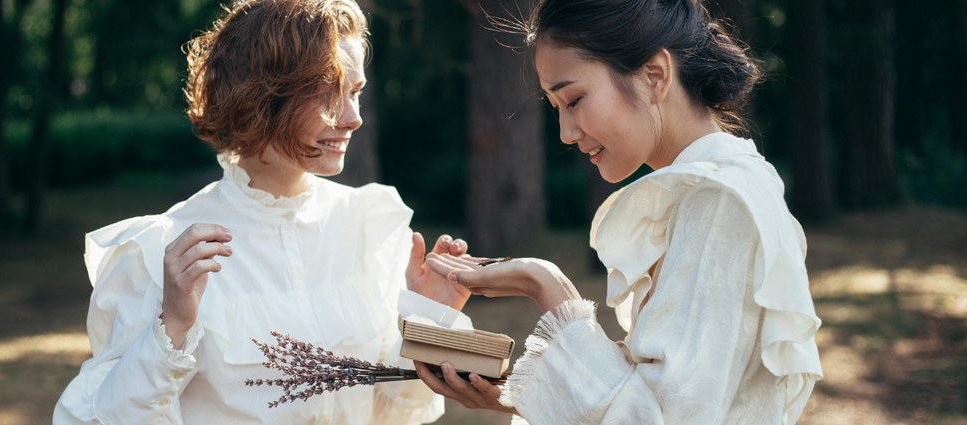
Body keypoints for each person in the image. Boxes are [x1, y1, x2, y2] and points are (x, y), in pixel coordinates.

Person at [53, 1, 471, 423]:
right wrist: (170, 330)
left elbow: (392, 411)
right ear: (261, 96)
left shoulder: (368, 225)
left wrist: (426, 324)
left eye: (355, 92)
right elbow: (93, 417)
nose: (353, 117)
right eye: (327, 92)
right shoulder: (167, 252)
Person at [415, 0, 823, 424]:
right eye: (556, 108)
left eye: (574, 100)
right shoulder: (711, 191)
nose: (566, 133)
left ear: (655, 76)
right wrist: (530, 395)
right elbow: (659, 401)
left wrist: (547, 288)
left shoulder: (720, 201)